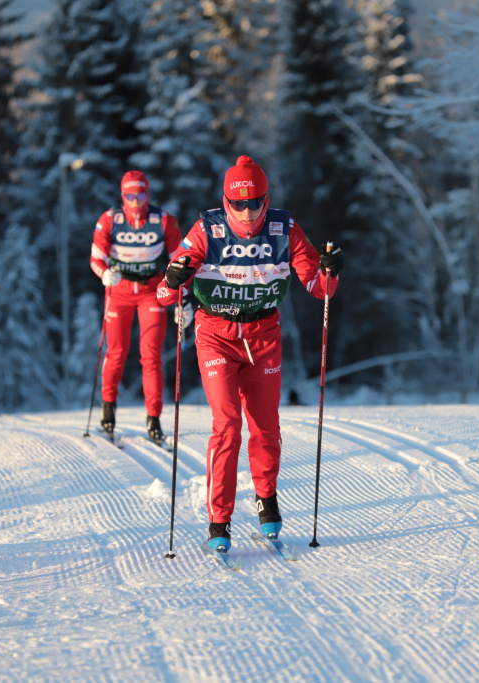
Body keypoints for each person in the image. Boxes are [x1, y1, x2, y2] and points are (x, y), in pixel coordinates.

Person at [157, 155, 345, 553]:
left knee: (265, 426)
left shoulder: (284, 228)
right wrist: (174, 280)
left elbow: (317, 286)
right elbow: (164, 291)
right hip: (216, 334)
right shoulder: (207, 229)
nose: (247, 212)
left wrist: (329, 271)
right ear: (226, 201)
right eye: (238, 204)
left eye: (255, 203)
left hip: (263, 334)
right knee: (227, 424)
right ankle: (219, 520)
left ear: (266, 198)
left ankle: (266, 499)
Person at [90, 170, 187, 444]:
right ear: (122, 196)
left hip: (151, 291)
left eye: (141, 195)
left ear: (148, 194)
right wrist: (104, 274)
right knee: (117, 351)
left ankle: (153, 419)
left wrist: (182, 298)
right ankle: (108, 411)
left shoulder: (163, 220)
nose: (135, 202)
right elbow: (96, 258)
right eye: (130, 196)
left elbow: (179, 263)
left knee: (151, 355)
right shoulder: (110, 220)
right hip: (119, 292)